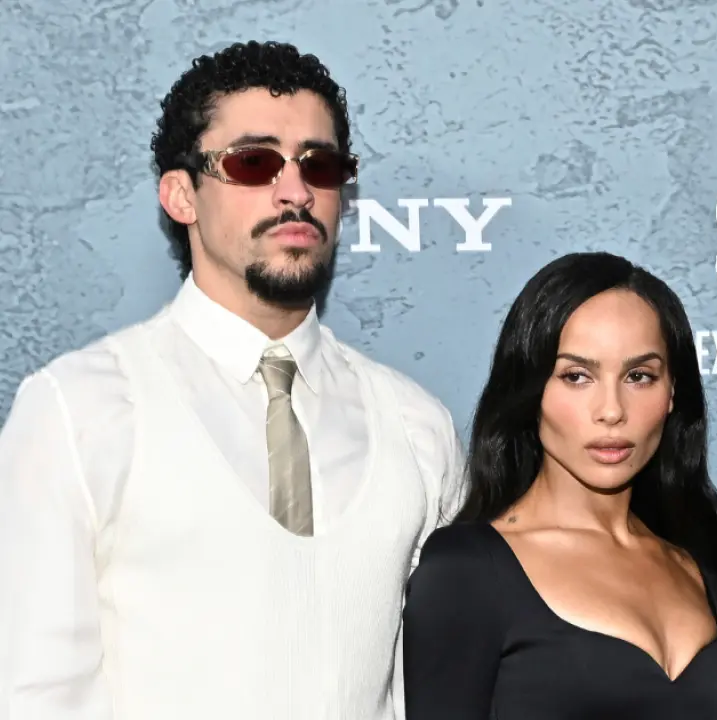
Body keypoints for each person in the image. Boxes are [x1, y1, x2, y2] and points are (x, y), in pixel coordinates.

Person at [0, 41, 464, 720]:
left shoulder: (416, 425)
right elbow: (35, 694)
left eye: (320, 165)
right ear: (181, 194)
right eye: (255, 162)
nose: (296, 191)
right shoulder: (78, 410)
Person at [400, 252, 717, 719]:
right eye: (577, 376)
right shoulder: (465, 571)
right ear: (531, 390)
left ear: (672, 391)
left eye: (639, 376)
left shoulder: (696, 560)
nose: (611, 410)